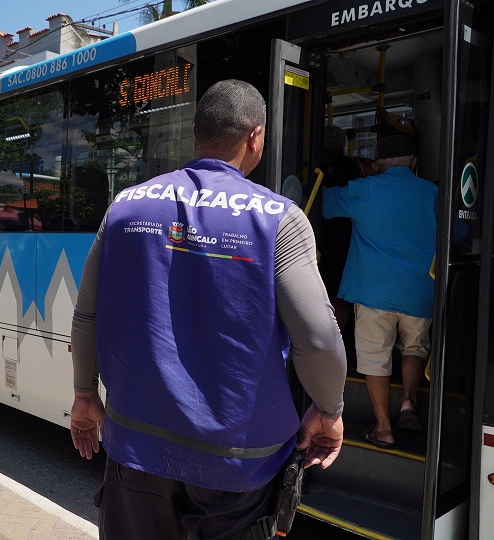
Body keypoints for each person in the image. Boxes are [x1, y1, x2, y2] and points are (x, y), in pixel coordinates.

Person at [70, 79, 347, 540]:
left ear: (196, 135)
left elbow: (86, 316)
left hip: (136, 449)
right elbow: (318, 338)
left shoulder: (124, 207)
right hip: (239, 466)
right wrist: (329, 408)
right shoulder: (278, 218)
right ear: (254, 136)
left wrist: (84, 396)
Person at [323, 134, 437, 448]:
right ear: (414, 163)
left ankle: (384, 428)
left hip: (374, 292)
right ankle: (409, 402)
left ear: (375, 165)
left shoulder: (364, 189)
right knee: (415, 347)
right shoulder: (434, 193)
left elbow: (326, 203)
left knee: (375, 359)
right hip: (420, 292)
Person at [318, 126, 367, 333]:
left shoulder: (318, 168)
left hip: (329, 237)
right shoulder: (355, 166)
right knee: (337, 297)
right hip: (346, 238)